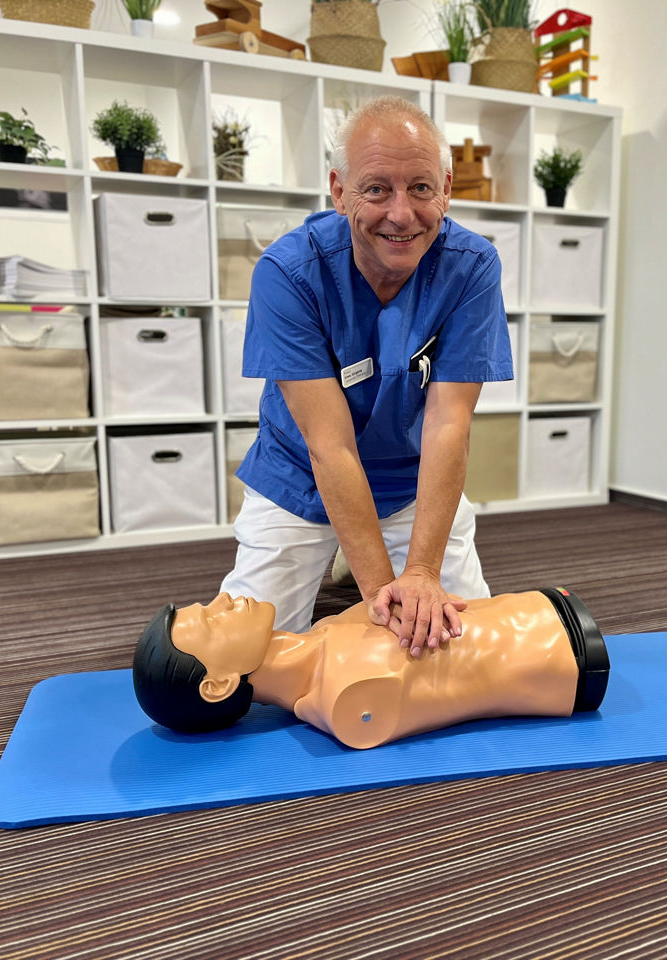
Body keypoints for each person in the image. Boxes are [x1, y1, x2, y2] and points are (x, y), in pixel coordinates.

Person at [219, 96, 513, 654]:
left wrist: (423, 573)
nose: (401, 214)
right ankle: (348, 559)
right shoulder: (288, 273)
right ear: (338, 191)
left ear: (447, 189)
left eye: (421, 188)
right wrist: (382, 596)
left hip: (409, 481)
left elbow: (449, 424)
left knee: (474, 645)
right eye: (377, 189)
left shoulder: (472, 268)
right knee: (246, 657)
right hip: (300, 477)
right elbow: (330, 448)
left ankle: (357, 555)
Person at [132, 588, 609, 749]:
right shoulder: (344, 700)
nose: (224, 599)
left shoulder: (324, 632)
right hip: (566, 658)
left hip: (548, 608)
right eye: (213, 620)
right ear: (218, 685)